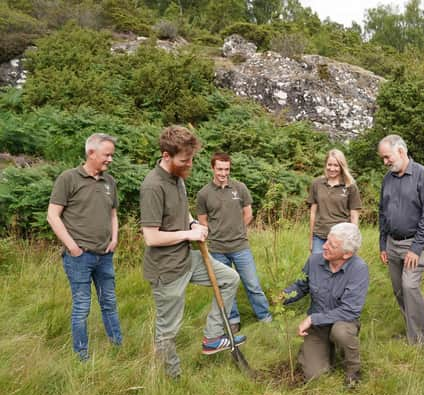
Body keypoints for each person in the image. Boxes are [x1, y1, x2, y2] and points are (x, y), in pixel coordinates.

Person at [139, 126, 244, 379]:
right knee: (168, 331)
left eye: (192, 159)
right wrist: (189, 235)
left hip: (187, 259)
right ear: (166, 156)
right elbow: (151, 237)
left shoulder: (178, 179)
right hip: (167, 269)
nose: (190, 164)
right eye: (184, 160)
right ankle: (171, 379)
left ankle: (212, 338)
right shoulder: (153, 186)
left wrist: (193, 224)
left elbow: (181, 212)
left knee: (230, 279)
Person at [47, 133, 123, 361]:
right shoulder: (68, 179)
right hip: (79, 257)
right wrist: (72, 247)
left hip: (105, 255)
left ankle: (117, 346)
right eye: (106, 154)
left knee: (109, 302)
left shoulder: (109, 182)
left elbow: (113, 214)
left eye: (112, 155)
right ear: (91, 153)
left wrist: (115, 239)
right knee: (82, 306)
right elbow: (52, 215)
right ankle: (82, 356)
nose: (110, 159)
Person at [282, 222, 369, 387]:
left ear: (346, 254)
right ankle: (326, 353)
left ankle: (353, 371)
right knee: (314, 375)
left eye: (332, 245)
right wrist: (282, 297)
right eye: (327, 241)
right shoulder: (314, 261)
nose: (324, 246)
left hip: (343, 322)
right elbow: (301, 286)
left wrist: (312, 319)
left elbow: (350, 310)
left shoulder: (359, 269)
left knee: (340, 333)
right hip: (318, 327)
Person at [196, 152, 272, 334]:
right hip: (217, 249)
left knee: (252, 284)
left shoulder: (240, 188)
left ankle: (265, 317)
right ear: (213, 168)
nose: (223, 173)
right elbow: (202, 221)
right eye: (220, 169)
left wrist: (239, 230)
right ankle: (233, 319)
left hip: (240, 247)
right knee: (226, 287)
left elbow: (248, 213)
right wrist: (213, 236)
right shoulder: (204, 194)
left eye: (227, 169)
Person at [377, 134, 424, 345]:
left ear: (401, 151)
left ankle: (419, 340)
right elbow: (382, 212)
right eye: (383, 158)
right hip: (392, 244)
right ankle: (411, 332)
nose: (385, 162)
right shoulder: (388, 179)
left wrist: (416, 248)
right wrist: (382, 243)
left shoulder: (423, 176)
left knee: (410, 287)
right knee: (399, 290)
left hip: (415, 245)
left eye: (387, 157)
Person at [308, 149, 362, 254]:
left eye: (336, 165)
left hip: (341, 239)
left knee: (337, 269)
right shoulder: (317, 183)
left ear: (342, 167)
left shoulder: (350, 186)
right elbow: (313, 213)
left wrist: (353, 242)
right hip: (319, 236)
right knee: (317, 268)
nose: (332, 168)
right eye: (329, 164)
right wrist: (311, 240)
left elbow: (354, 217)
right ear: (325, 165)